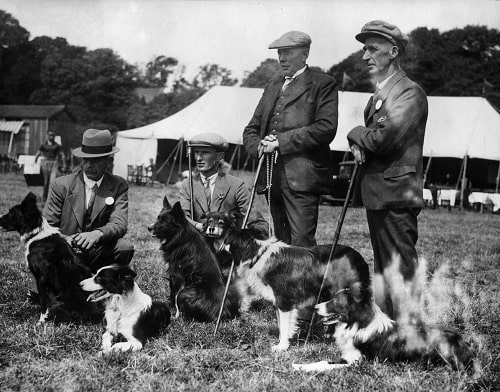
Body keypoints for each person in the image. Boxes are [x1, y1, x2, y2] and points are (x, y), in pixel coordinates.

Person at [346, 21, 428, 322]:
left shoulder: (409, 93)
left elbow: (384, 138)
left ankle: (410, 334)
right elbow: (377, 139)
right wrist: (363, 143)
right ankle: (391, 330)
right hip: (381, 191)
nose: (365, 56)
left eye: (372, 49)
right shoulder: (380, 94)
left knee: (400, 266)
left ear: (393, 51)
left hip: (396, 193)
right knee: (384, 266)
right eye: (364, 49)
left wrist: (356, 133)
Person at [243, 31, 338, 247]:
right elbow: (251, 129)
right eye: (279, 53)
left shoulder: (323, 84)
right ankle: (282, 282)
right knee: (280, 242)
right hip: (270, 178)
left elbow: (326, 128)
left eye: (288, 53)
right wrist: (259, 146)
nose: (282, 58)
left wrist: (280, 142)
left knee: (301, 242)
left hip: (302, 179)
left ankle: (305, 282)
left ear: (304, 55)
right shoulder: (272, 86)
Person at [43, 128, 134, 273]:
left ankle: (104, 283)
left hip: (98, 253)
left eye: (96, 160)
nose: (89, 165)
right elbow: (47, 226)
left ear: (108, 161)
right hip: (65, 253)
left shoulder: (118, 185)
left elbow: (119, 223)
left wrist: (97, 234)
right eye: (86, 159)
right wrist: (64, 240)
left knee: (124, 248)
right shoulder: (61, 185)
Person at [178, 132, 268, 234]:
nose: (199, 158)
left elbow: (257, 221)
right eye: (196, 152)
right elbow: (182, 216)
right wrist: (198, 225)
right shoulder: (188, 184)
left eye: (205, 152)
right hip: (199, 245)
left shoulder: (236, 185)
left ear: (219, 156)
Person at [35, 130, 64, 203]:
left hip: (54, 163)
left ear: (54, 136)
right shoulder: (43, 145)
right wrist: (35, 162)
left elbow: (62, 154)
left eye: (53, 135)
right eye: (50, 135)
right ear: (47, 136)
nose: (51, 137)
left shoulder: (57, 145)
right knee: (45, 182)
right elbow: (38, 153)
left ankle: (51, 199)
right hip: (45, 163)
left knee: (52, 181)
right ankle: (44, 199)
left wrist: (63, 164)